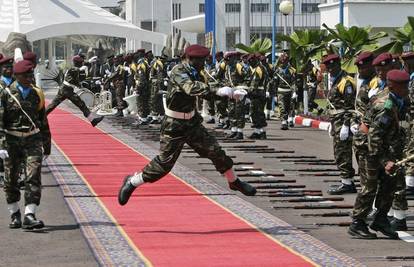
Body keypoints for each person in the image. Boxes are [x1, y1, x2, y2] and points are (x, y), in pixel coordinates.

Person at [118, 45, 256, 206]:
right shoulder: (179, 71)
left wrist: (231, 93)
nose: (204, 63)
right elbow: (191, 88)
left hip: (191, 123)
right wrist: (220, 91)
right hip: (174, 125)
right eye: (202, 60)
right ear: (191, 59)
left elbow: (208, 90)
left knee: (215, 151)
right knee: (163, 165)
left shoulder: (198, 72)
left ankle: (234, 181)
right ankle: (132, 182)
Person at [349, 70, 409, 239]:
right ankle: (357, 222)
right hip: (369, 148)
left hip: (383, 146)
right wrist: (385, 161)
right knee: (370, 186)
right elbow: (374, 138)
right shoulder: (385, 106)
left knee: (390, 183)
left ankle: (380, 220)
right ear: (392, 86)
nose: (407, 89)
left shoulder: (397, 99)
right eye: (403, 86)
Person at [0, 60, 51, 229]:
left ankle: (30, 214)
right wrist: (1, 145)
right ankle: (14, 213)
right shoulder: (5, 94)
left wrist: (46, 143)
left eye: (30, 74)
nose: (30, 77)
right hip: (11, 140)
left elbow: (42, 120)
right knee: (11, 179)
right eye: (26, 75)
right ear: (16, 76)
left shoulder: (37, 94)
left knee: (33, 176)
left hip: (32, 139)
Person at [323, 54, 357, 195]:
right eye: (328, 67)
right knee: (339, 152)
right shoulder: (335, 80)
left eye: (333, 66)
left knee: (343, 153)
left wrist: (346, 124)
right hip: (336, 120)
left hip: (343, 121)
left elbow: (350, 106)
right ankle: (346, 181)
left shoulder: (346, 82)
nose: (330, 69)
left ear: (338, 65)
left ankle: (347, 183)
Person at [45, 55, 104, 126]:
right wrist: (88, 62)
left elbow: (76, 81)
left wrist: (80, 86)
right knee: (81, 104)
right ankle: (93, 120)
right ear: (77, 63)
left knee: (53, 105)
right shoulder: (73, 69)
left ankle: (40, 118)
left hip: (65, 89)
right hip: (67, 90)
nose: (82, 63)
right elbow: (79, 72)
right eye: (81, 62)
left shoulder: (73, 69)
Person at [247, 54, 268, 139]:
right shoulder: (258, 68)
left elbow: (254, 83)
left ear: (255, 60)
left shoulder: (259, 68)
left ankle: (262, 132)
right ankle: (257, 131)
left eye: (251, 62)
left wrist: (247, 93)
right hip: (258, 93)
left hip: (257, 93)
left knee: (258, 112)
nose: (250, 64)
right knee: (255, 112)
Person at [0, 56, 13, 188]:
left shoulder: (16, 82)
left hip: (14, 121)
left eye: (10, 67)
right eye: (6, 67)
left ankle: (15, 176)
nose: (9, 69)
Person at [274, 53, 296, 130]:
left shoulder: (291, 70)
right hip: (280, 91)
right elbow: (275, 82)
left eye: (285, 61)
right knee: (282, 107)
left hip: (289, 91)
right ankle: (284, 122)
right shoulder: (277, 70)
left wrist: (294, 92)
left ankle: (290, 119)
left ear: (287, 61)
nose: (283, 63)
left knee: (290, 107)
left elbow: (293, 82)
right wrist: (273, 94)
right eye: (282, 61)